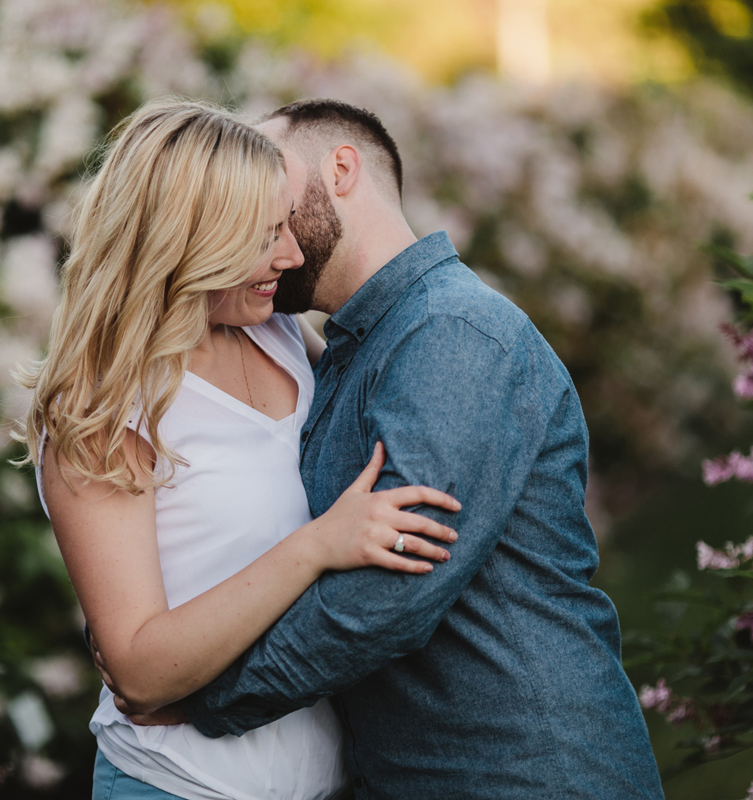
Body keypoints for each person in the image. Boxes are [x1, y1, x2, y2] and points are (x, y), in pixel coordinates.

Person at [118, 99, 667, 799]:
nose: (257, 218)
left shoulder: (453, 335)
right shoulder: (339, 346)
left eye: (271, 192)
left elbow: (386, 594)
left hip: (527, 770)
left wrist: (204, 700)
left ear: (341, 169)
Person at [16, 99, 461, 800]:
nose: (291, 255)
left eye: (286, 223)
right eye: (263, 237)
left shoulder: (278, 335)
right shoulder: (106, 413)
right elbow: (138, 670)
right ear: (185, 243)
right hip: (182, 786)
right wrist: (316, 546)